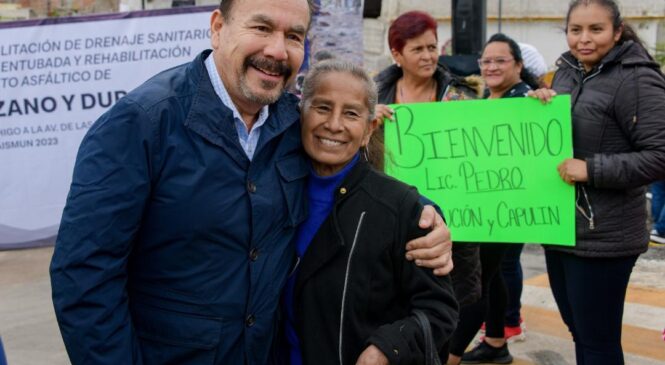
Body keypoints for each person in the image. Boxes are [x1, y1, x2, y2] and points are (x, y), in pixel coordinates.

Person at [49, 1, 454, 364]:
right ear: (217, 27)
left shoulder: (293, 121)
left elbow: (354, 179)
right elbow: (84, 275)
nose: (277, 50)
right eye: (261, 28)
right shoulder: (141, 123)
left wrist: (429, 216)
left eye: (293, 36)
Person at [280, 59, 459, 365]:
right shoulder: (273, 189)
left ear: (368, 129)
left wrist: (388, 348)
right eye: (322, 108)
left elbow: (439, 310)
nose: (334, 124)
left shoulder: (403, 209)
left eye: (351, 113)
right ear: (301, 113)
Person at [529, 0, 665, 363]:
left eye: (596, 30)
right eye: (576, 30)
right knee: (580, 331)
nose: (583, 39)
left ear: (617, 32)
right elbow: (561, 136)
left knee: (598, 341)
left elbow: (659, 155)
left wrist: (592, 169)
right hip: (561, 229)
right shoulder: (566, 72)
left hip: (606, 235)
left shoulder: (637, 77)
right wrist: (539, 107)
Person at [373, 8, 483, 312]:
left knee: (450, 304)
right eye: (417, 49)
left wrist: (536, 104)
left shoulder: (462, 96)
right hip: (391, 219)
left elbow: (489, 146)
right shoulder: (373, 96)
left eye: (432, 47)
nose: (427, 56)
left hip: (452, 226)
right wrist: (367, 124)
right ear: (397, 53)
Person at [447, 33, 540, 365]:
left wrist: (543, 99)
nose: (492, 66)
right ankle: (497, 341)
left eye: (501, 60)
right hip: (485, 207)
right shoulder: (488, 100)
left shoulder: (528, 99)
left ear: (518, 64)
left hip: (506, 209)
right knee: (494, 274)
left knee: (478, 281)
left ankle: (452, 354)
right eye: (486, 60)